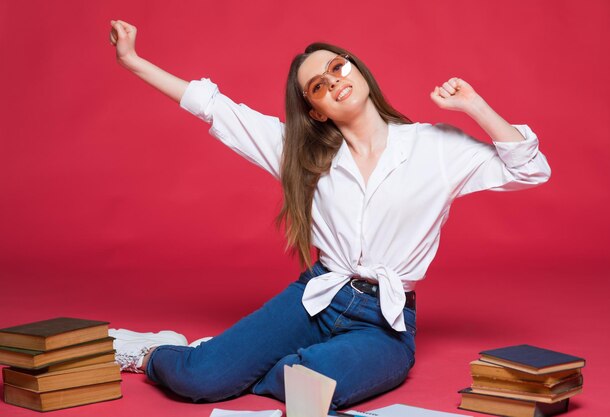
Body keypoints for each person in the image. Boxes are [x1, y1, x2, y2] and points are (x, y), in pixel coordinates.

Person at [107, 19, 551, 411]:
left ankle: (224, 357)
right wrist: (132, 62)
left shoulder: (434, 146)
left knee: (307, 388)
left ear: (354, 67)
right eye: (317, 86)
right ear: (315, 109)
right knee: (197, 380)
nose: (333, 82)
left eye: (337, 67)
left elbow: (531, 169)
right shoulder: (299, 152)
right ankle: (160, 353)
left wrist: (474, 106)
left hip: (386, 324)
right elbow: (214, 107)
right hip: (315, 299)